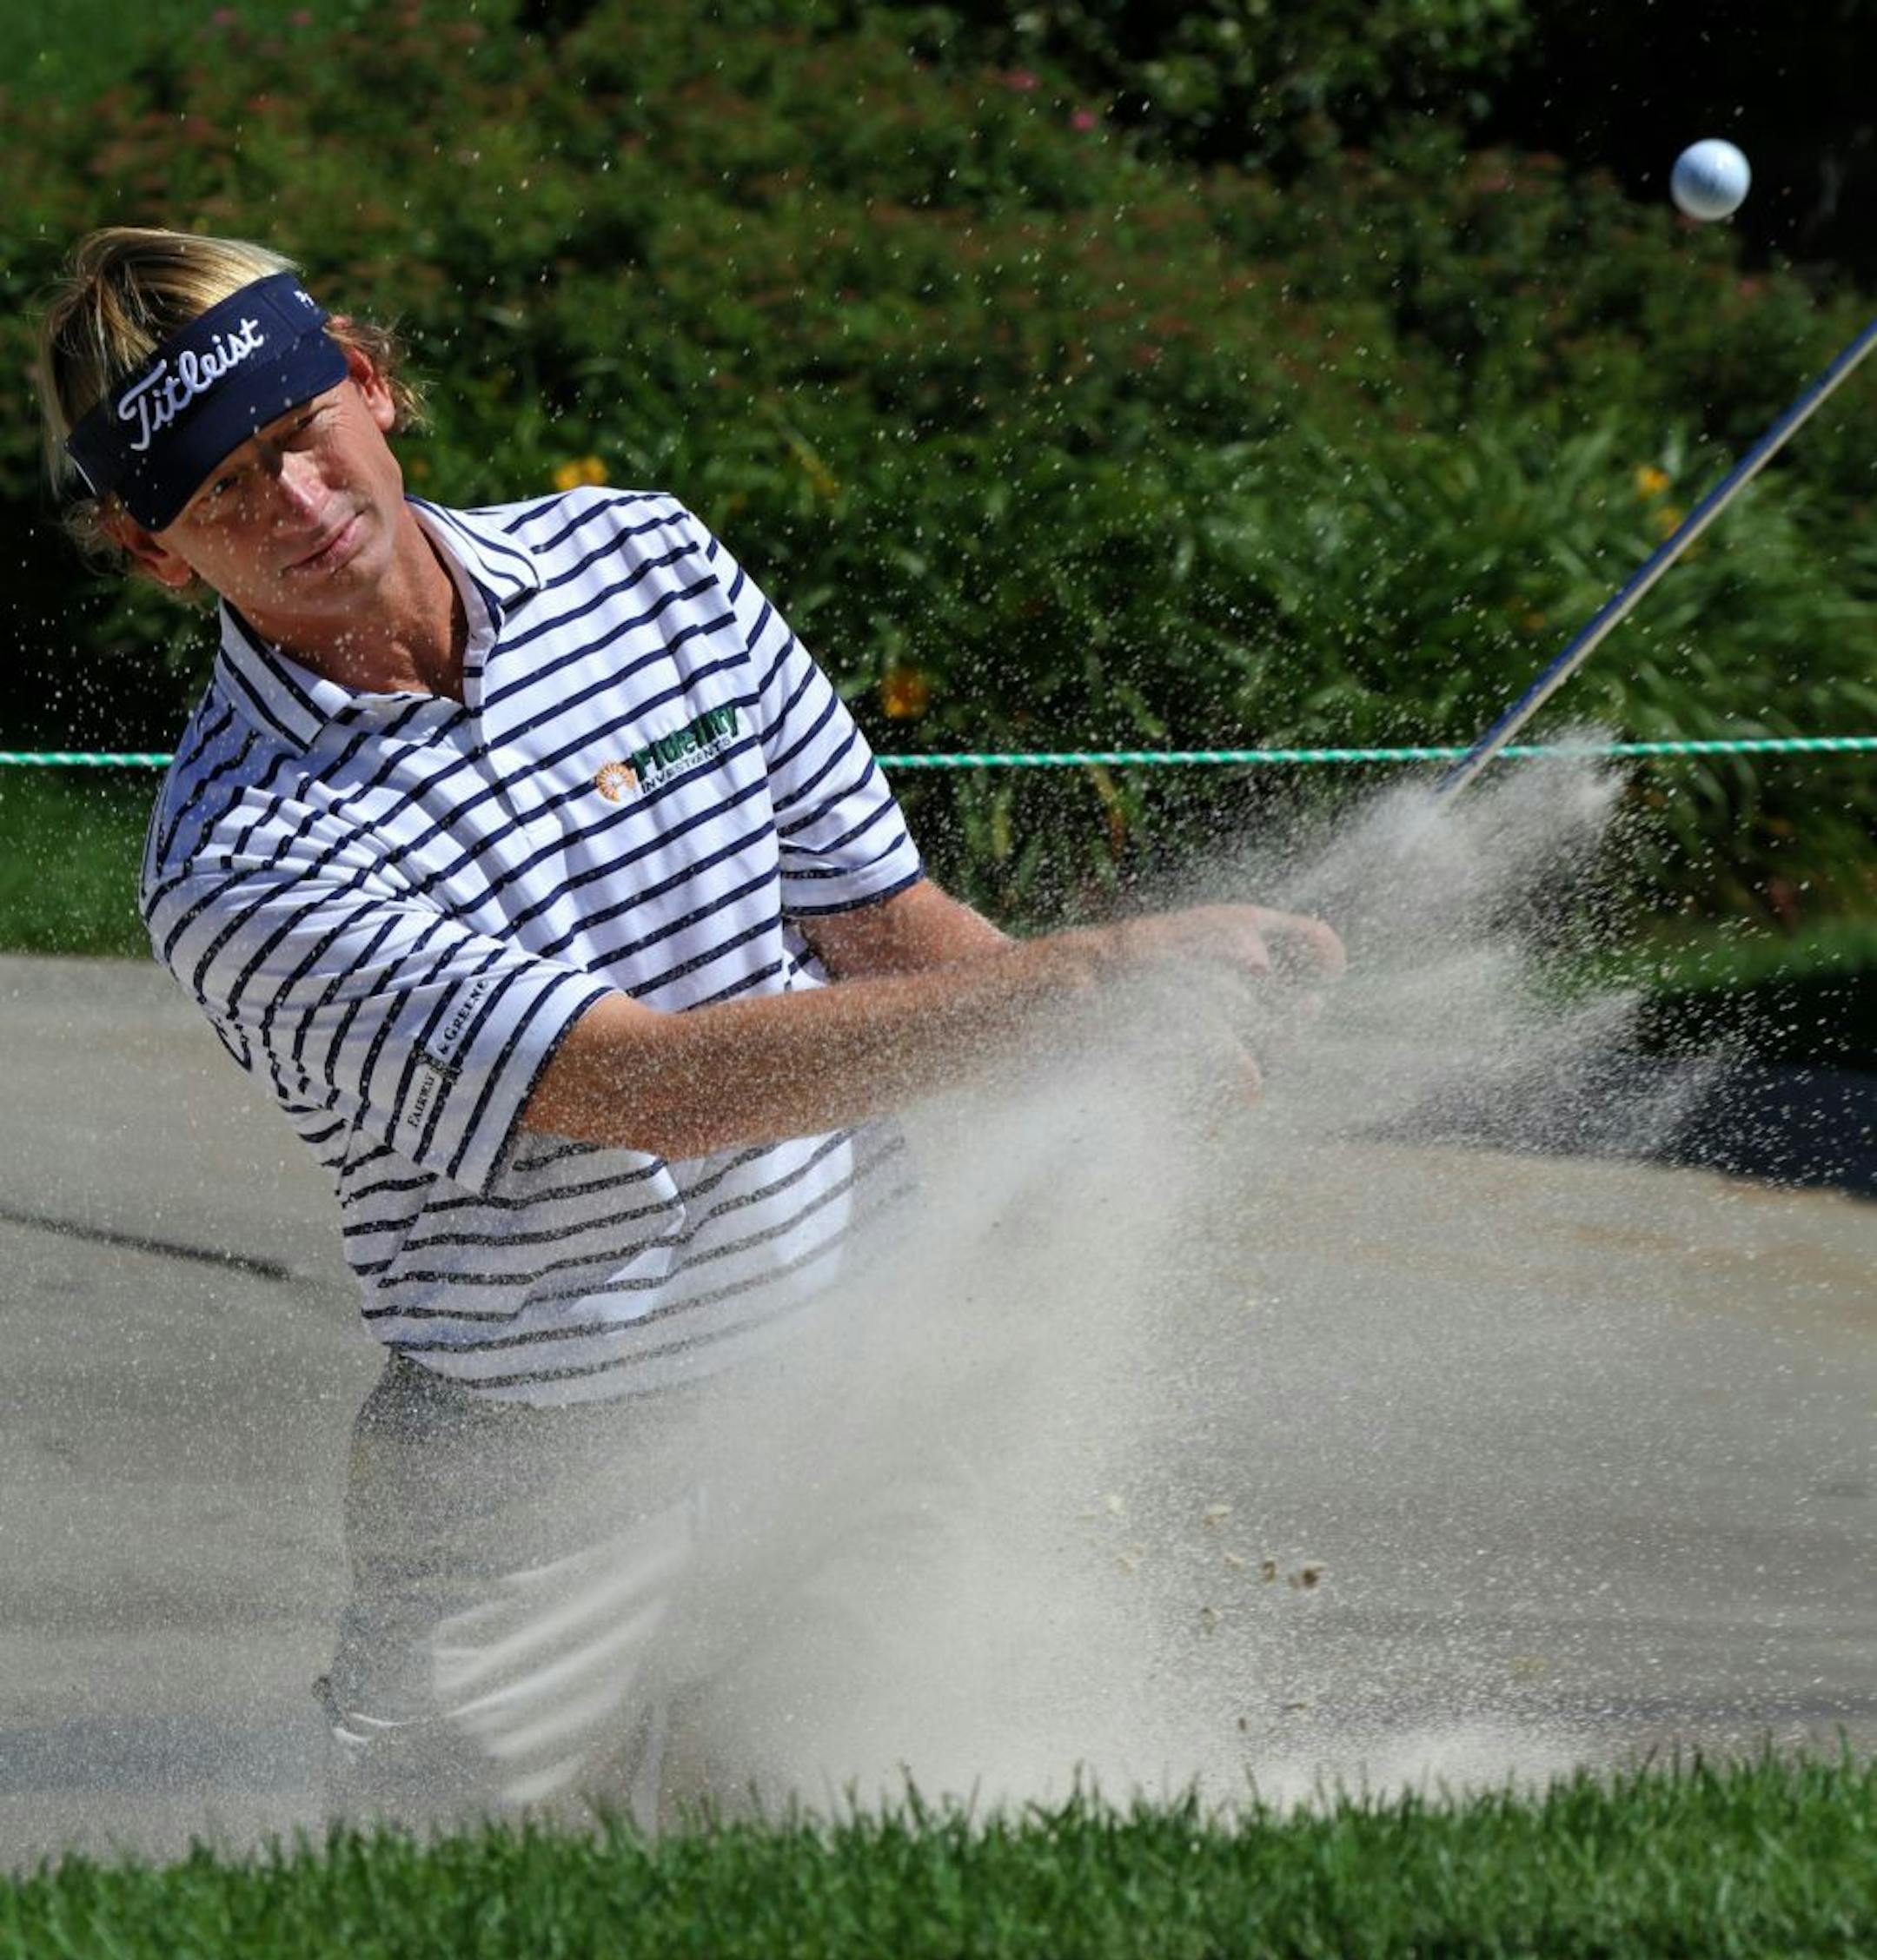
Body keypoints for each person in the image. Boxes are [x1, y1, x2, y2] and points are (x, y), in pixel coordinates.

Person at [33, 226, 1343, 1822]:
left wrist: (1099, 1066)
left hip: (865, 1373)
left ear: (366, 384)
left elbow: (881, 927)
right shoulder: (240, 859)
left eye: (298, 439)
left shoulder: (646, 563)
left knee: (881, 1830)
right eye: (220, 493)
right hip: (538, 1481)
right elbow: (651, 1086)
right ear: (154, 549)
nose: (295, 510)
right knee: (455, 1909)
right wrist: (1085, 986)